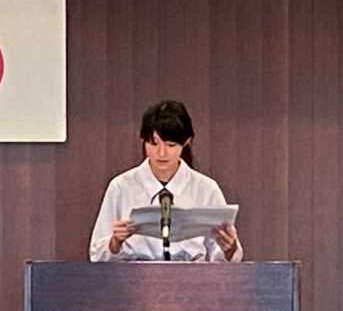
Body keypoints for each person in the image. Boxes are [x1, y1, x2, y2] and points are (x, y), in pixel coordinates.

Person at [89, 100, 243, 262]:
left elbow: (224, 257)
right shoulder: (121, 187)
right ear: (143, 140)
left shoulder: (206, 188)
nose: (161, 153)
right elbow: (97, 255)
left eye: (171, 145)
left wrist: (229, 249)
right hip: (134, 273)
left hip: (193, 274)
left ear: (186, 142)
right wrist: (114, 243)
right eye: (153, 143)